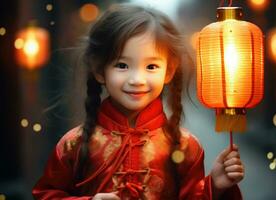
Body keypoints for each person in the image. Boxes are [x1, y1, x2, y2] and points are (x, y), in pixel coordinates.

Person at [32, 3, 244, 200]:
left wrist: (214, 186)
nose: (136, 80)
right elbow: (44, 194)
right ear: (99, 69)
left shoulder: (187, 147)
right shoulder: (73, 144)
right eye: (122, 65)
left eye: (151, 67)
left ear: (169, 70)